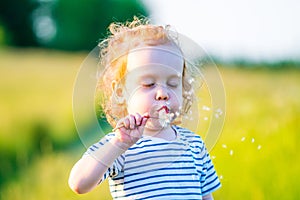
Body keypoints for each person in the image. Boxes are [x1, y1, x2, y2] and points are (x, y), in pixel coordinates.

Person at [68, 16, 221, 200]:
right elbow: (78, 183)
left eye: (173, 84)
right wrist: (118, 145)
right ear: (121, 92)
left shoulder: (194, 145)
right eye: (148, 84)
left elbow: (206, 197)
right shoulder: (120, 145)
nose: (163, 93)